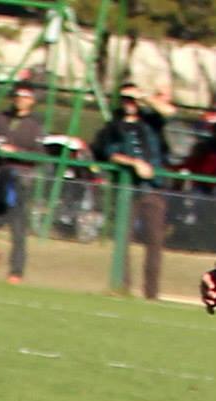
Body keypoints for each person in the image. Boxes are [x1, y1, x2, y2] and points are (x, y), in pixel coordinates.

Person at [92, 87, 165, 300]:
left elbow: (170, 113)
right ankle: (122, 287)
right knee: (123, 240)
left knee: (155, 242)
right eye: (126, 99)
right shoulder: (114, 127)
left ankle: (151, 293)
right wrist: (135, 163)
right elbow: (110, 153)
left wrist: (145, 96)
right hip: (128, 189)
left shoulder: (151, 123)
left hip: (152, 188)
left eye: (132, 99)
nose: (129, 103)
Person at [0, 81, 43, 282]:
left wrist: (16, 152)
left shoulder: (35, 125)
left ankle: (16, 272)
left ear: (32, 101)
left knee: (17, 226)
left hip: (18, 179)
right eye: (18, 95)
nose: (21, 99)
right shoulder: (0, 118)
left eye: (26, 96)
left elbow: (40, 157)